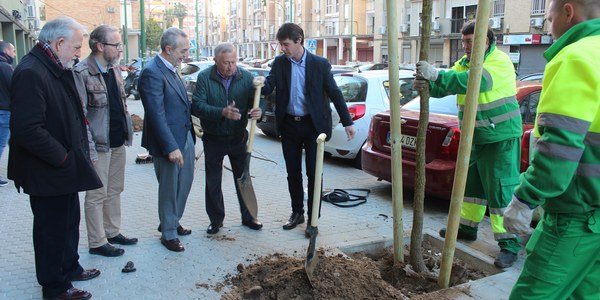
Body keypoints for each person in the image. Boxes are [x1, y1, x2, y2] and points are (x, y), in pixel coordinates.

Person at [505, 0, 600, 298]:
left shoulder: (575, 57)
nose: (549, 27)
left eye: (548, 19)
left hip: (575, 216)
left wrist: (525, 198)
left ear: (568, 12)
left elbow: (559, 147)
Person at [414, 21, 523, 268]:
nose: (466, 46)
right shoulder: (463, 63)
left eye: (472, 40)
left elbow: (475, 82)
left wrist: (437, 75)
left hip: (500, 137)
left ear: (486, 40)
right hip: (475, 137)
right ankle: (467, 228)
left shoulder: (499, 60)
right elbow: (447, 84)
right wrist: (428, 84)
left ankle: (509, 245)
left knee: (500, 191)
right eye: (464, 41)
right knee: (471, 188)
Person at [8, 17, 102, 300]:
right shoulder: (31, 71)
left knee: (69, 221)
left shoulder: (53, 65)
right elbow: (27, 129)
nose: (78, 54)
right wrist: (62, 158)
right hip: (48, 170)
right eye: (75, 48)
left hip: (63, 167)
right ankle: (55, 287)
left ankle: (69, 267)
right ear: (58, 43)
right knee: (51, 231)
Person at [253, 23, 356, 238]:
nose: (283, 48)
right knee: (293, 173)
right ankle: (297, 213)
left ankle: (313, 220)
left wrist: (348, 122)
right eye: (281, 44)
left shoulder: (319, 64)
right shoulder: (280, 63)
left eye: (286, 44)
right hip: (289, 125)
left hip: (313, 128)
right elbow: (270, 86)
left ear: (299, 40)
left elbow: (335, 93)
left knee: (314, 173)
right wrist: (261, 82)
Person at [73, 25, 137, 257]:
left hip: (118, 141)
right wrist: (88, 150)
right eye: (116, 45)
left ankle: (112, 231)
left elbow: (120, 105)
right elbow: (81, 117)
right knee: (96, 194)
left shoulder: (115, 69)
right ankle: (97, 241)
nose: (120, 49)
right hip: (98, 145)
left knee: (115, 190)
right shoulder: (81, 73)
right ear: (100, 46)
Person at [192, 43, 264, 234]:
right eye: (226, 63)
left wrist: (258, 111)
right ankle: (216, 220)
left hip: (238, 137)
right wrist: (222, 112)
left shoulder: (246, 77)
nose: (230, 66)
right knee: (213, 181)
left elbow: (254, 103)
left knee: (244, 177)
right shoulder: (204, 77)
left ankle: (249, 217)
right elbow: (197, 106)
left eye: (233, 62)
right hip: (213, 137)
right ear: (215, 61)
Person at [138, 27, 195, 252]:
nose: (186, 54)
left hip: (185, 136)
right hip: (169, 142)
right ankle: (168, 234)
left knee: (185, 183)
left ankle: (171, 220)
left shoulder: (172, 69)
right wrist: (171, 146)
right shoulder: (152, 72)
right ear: (168, 49)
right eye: (183, 50)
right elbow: (156, 114)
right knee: (170, 188)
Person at [0, 40, 15, 187]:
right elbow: (15, 88)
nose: (14, 54)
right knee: (1, 144)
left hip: (4, 111)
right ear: (6, 52)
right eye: (13, 51)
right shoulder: (6, 68)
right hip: (4, 112)